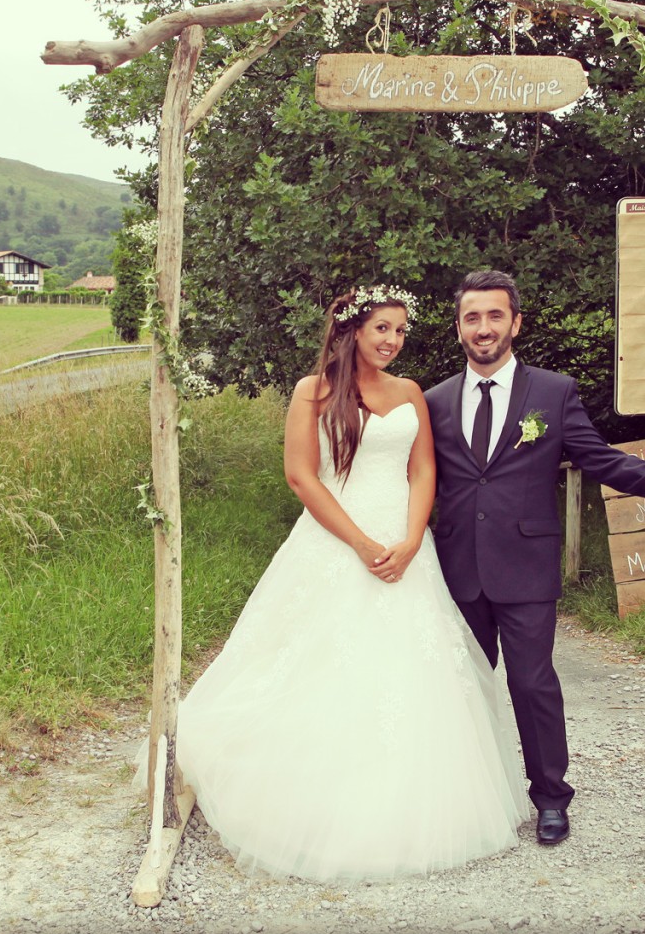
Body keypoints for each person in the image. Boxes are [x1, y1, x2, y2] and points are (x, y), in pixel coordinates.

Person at [169, 284, 528, 882]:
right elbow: (301, 477)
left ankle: (412, 799)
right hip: (337, 539)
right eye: (382, 328)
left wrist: (411, 538)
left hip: (405, 547)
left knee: (413, 668)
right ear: (353, 329)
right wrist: (360, 543)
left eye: (401, 331)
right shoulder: (313, 392)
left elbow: (423, 469)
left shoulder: (409, 392)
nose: (393, 341)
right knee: (320, 660)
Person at [423, 270, 645, 846]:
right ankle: (465, 799)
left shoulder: (553, 393)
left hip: (525, 566)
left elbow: (601, 460)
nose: (483, 328)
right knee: (461, 686)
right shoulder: (432, 402)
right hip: (454, 567)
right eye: (472, 318)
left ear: (516, 323)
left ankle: (551, 798)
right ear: (458, 329)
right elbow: (417, 483)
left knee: (532, 685)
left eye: (495, 315)